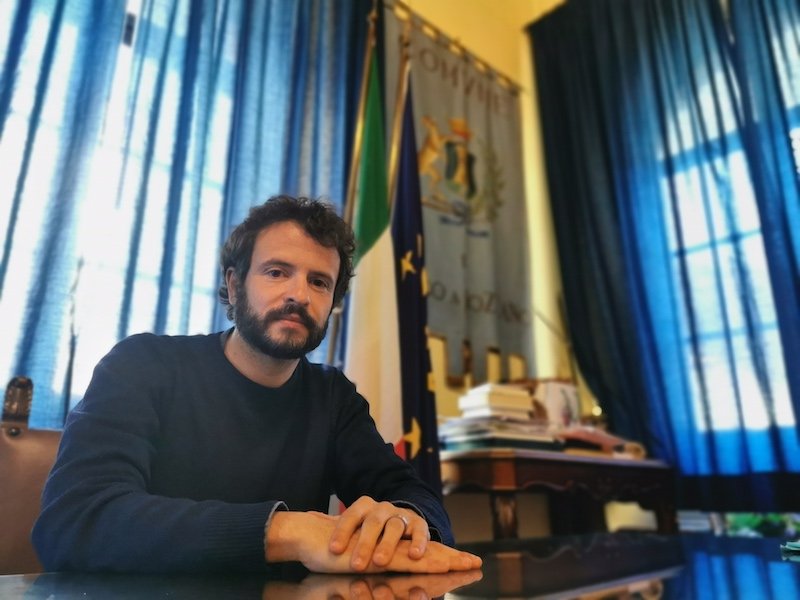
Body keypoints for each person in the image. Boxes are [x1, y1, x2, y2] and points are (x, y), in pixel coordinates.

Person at [32, 195, 482, 575]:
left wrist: (406, 522)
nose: (299, 295)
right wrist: (286, 531)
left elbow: (415, 496)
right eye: (276, 272)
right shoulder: (143, 365)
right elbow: (74, 521)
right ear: (234, 285)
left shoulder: (333, 398)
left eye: (319, 282)